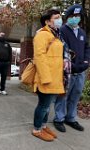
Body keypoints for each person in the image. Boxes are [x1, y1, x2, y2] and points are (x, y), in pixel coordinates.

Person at [53, 4, 90, 132]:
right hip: (67, 71)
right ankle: (59, 119)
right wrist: (72, 66)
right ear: (68, 17)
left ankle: (71, 118)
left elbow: (87, 48)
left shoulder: (82, 32)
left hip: (81, 71)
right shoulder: (62, 31)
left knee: (76, 95)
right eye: (73, 16)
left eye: (78, 16)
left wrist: (86, 61)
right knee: (63, 96)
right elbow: (60, 50)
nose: (76, 18)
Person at [32, 9, 65, 142]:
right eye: (56, 17)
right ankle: (36, 129)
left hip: (55, 77)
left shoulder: (54, 34)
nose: (59, 19)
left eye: (60, 17)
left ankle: (43, 126)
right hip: (47, 78)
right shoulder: (42, 35)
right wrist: (45, 78)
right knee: (43, 105)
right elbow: (39, 57)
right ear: (47, 21)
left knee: (48, 105)